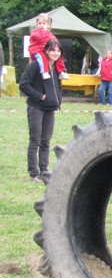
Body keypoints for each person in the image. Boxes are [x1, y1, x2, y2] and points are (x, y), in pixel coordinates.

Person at [19, 39, 63, 183]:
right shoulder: (35, 66)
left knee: (46, 142)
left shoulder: (57, 68)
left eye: (58, 50)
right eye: (53, 50)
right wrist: (40, 96)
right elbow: (23, 84)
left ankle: (44, 171)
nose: (55, 53)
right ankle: (33, 174)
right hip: (36, 107)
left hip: (50, 109)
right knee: (35, 141)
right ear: (46, 51)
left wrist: (58, 101)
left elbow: (58, 87)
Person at [28, 13, 69, 80]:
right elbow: (38, 37)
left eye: (44, 23)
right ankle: (44, 71)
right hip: (36, 50)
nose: (41, 25)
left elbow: (54, 41)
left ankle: (62, 72)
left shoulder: (50, 34)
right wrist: (46, 35)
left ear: (48, 25)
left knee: (59, 57)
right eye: (39, 23)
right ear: (37, 24)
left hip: (45, 51)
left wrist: (56, 47)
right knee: (42, 57)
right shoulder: (36, 32)